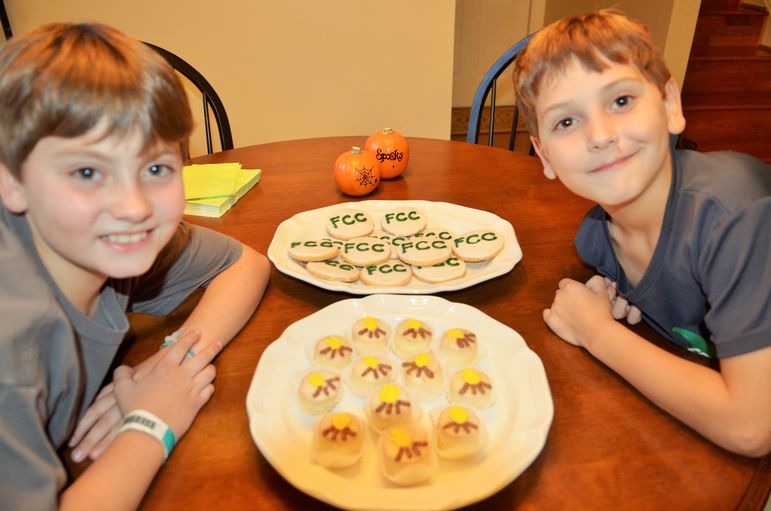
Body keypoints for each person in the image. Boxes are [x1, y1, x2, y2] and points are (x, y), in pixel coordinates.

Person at [0, 22, 271, 509]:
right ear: (13, 182)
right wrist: (152, 421)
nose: (133, 206)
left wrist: (173, 363)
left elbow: (245, 264)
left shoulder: (100, 240)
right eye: (88, 172)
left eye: (155, 169)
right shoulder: (11, 344)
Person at [513, 10, 771, 456]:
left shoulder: (737, 214)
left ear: (671, 104)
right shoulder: (596, 243)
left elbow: (752, 427)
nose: (601, 135)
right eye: (566, 122)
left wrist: (597, 331)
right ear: (544, 155)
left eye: (620, 101)